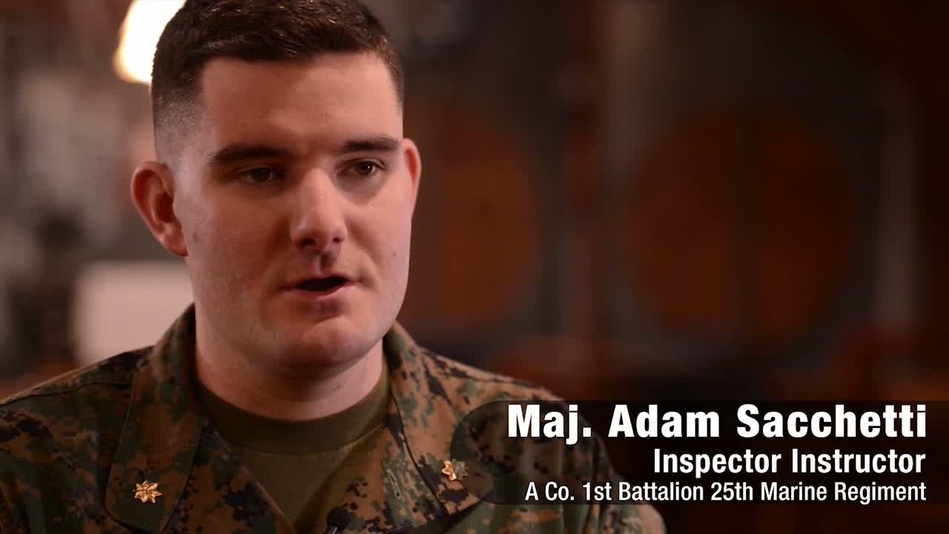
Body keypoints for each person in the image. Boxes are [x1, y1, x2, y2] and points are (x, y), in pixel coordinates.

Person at [0, 1, 664, 532]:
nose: (322, 223)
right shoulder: (31, 470)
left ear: (408, 183)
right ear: (165, 209)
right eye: (261, 173)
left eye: (362, 168)